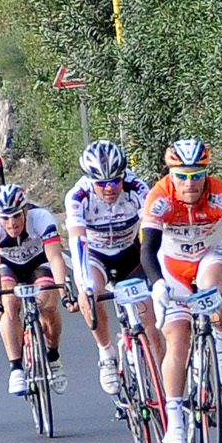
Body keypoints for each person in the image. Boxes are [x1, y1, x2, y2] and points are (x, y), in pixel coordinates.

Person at [139, 138, 222, 443]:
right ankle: (176, 421)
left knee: (216, 287)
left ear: (206, 174)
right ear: (171, 175)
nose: (189, 183)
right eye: (182, 176)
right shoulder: (159, 197)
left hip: (210, 255)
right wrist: (157, 284)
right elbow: (147, 249)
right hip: (172, 266)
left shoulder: (221, 193)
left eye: (197, 175)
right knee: (178, 340)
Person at [63, 139, 151, 397]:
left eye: (115, 181)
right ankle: (106, 353)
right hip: (96, 255)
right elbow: (77, 241)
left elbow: (153, 232)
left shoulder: (136, 187)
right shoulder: (78, 197)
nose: (110, 188)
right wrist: (83, 285)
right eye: (101, 183)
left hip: (130, 252)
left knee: (151, 320)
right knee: (91, 295)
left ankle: (164, 389)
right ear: (90, 180)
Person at [0, 184, 68, 397]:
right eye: (5, 218)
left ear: (25, 210)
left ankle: (53, 356)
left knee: (47, 303)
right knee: (10, 304)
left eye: (16, 215)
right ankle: (16, 367)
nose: (11, 223)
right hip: (9, 266)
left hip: (39, 262)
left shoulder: (42, 218)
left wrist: (65, 293)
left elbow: (55, 257)